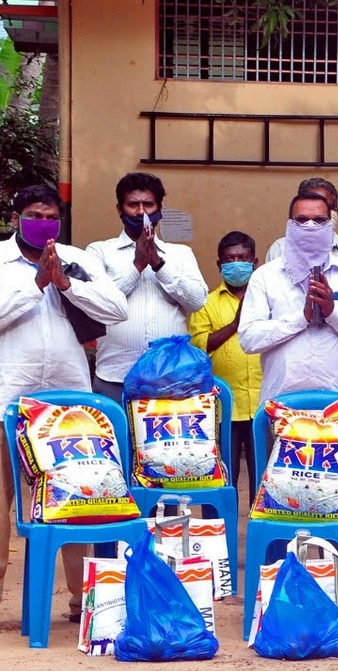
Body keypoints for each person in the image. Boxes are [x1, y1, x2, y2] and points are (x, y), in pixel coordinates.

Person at [0, 184, 128, 621]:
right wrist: (35, 287)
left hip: (69, 409)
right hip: (8, 400)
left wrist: (66, 283)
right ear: (17, 216)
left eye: (52, 214)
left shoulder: (80, 259)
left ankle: (80, 603)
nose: (44, 221)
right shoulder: (1, 261)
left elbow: (116, 309)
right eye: (35, 213)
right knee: (0, 502)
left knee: (75, 499)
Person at [238, 192, 338, 403]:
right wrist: (302, 318)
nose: (310, 226)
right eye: (301, 220)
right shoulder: (265, 276)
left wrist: (334, 312)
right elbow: (248, 339)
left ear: (330, 225)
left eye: (319, 220)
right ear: (289, 225)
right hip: (280, 404)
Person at [86, 172, 208, 404]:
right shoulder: (99, 251)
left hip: (171, 377)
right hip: (115, 375)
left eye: (148, 204)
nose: (141, 212)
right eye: (133, 205)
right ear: (119, 209)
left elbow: (197, 301)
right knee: (118, 439)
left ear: (159, 208)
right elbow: (96, 301)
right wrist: (137, 266)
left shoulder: (180, 254)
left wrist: (159, 265)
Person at [188, 231, 263, 505]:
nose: (236, 264)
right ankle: (220, 533)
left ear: (255, 262)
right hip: (222, 408)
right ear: (219, 265)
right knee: (222, 477)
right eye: (229, 259)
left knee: (264, 477)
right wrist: (234, 324)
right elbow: (199, 347)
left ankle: (260, 535)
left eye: (242, 258)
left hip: (262, 403)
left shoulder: (267, 299)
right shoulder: (206, 303)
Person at [265, 177, 338, 294]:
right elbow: (270, 294)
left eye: (327, 207)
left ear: (335, 212)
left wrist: (334, 306)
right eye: (303, 217)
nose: (312, 222)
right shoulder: (279, 249)